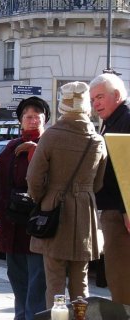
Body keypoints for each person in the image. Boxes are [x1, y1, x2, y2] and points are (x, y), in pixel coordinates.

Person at [26, 82, 107, 309]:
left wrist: (42, 198)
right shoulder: (97, 140)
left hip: (54, 208)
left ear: (63, 107)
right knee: (81, 280)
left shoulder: (51, 136)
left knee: (55, 280)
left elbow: (33, 178)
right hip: (85, 212)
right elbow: (99, 182)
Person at [0, 96, 49, 319]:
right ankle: (21, 315)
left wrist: (35, 152)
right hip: (11, 223)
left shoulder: (48, 147)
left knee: (37, 278)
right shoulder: (10, 148)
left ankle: (32, 316)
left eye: (37, 117)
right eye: (28, 117)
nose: (32, 121)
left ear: (44, 121)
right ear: (21, 120)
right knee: (17, 277)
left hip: (36, 225)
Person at [89, 73, 130, 305]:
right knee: (118, 278)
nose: (95, 104)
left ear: (116, 96)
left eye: (100, 97)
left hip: (120, 213)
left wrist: (126, 210)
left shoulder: (125, 120)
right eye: (93, 99)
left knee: (122, 279)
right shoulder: (114, 121)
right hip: (115, 210)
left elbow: (126, 167)